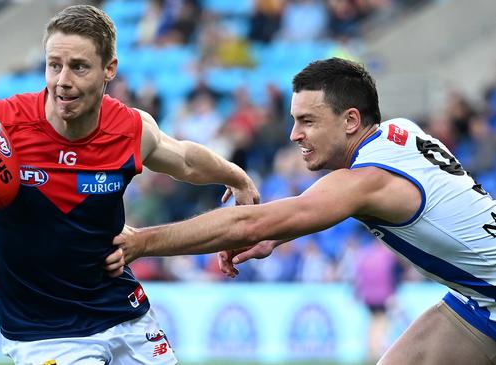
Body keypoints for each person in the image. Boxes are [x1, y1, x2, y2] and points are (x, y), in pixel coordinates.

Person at [0, 5, 259, 365]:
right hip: (44, 331)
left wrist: (236, 177)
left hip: (122, 311)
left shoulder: (130, 127)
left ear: (108, 69)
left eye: (79, 67)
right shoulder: (1, 122)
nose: (62, 81)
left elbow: (185, 160)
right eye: (54, 65)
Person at [107, 57, 496, 365]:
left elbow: (248, 222)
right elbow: (323, 209)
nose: (294, 135)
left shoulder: (366, 179)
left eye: (307, 121)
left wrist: (141, 242)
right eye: (294, 120)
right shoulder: (402, 132)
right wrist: (276, 237)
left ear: (351, 120)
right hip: (480, 301)